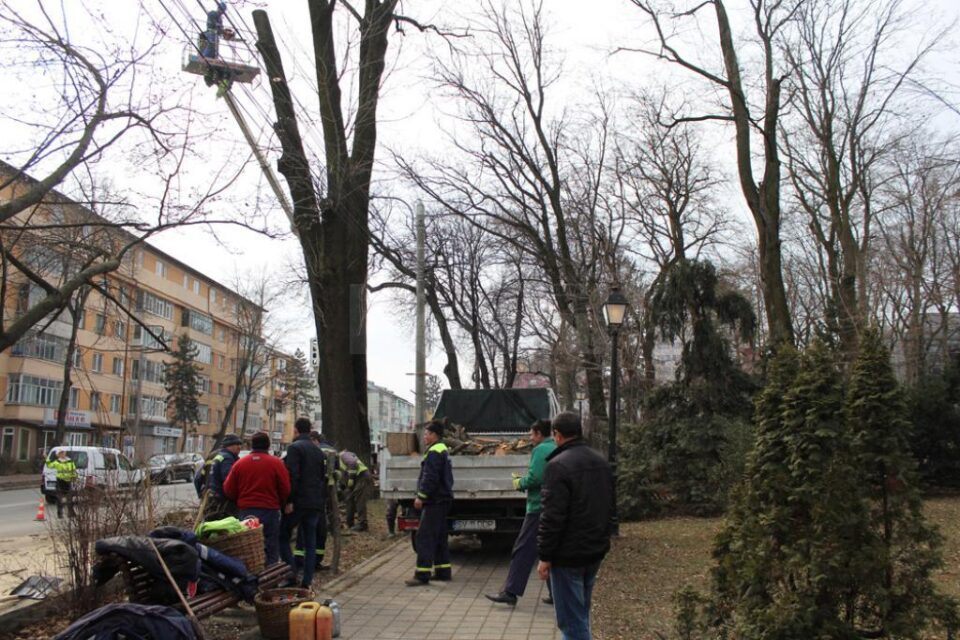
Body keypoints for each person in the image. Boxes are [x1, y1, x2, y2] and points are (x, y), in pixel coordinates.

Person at [537, 411, 614, 640]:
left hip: (567, 555)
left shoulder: (557, 466)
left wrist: (545, 556)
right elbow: (610, 505)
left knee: (572, 623)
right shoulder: (600, 460)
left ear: (557, 435)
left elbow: (552, 517)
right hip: (594, 551)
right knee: (580, 615)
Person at [486, 418, 557, 606]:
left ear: (540, 434)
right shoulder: (556, 446)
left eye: (532, 434)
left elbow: (536, 478)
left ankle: (510, 592)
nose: (530, 438)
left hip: (537, 507)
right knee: (549, 550)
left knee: (523, 549)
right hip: (552, 506)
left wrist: (519, 482)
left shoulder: (541, 449)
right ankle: (557, 593)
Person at [223, 431, 290, 565]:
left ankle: (251, 576)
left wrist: (239, 500)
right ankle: (271, 577)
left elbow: (228, 489)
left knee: (249, 546)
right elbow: (285, 488)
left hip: (247, 511)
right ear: (268, 445)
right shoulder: (276, 463)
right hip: (270, 510)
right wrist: (281, 503)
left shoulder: (240, 464)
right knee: (271, 547)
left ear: (252, 445)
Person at [405, 420, 454, 587]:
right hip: (443, 499)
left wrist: (421, 496)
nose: (424, 437)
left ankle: (422, 574)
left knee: (424, 536)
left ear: (434, 435)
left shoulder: (434, 452)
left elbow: (430, 478)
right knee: (440, 536)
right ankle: (443, 571)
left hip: (434, 500)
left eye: (426, 434)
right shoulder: (442, 449)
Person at [279, 418, 327, 587]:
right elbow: (322, 478)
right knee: (311, 542)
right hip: (315, 502)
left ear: (296, 430)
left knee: (282, 536)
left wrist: (289, 500)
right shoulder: (318, 451)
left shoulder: (294, 448)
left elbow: (293, 475)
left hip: (299, 501)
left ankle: (291, 573)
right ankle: (307, 581)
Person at [195, 434, 242, 518]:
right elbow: (229, 482)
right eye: (236, 444)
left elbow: (198, 478)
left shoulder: (216, 456)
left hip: (211, 498)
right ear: (229, 446)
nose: (239, 447)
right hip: (224, 501)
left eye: (240, 444)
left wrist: (201, 494)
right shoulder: (228, 458)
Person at [338, 450, 372, 532]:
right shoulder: (342, 459)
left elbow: (352, 463)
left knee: (359, 500)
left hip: (361, 476)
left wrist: (351, 479)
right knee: (349, 499)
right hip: (357, 477)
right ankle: (350, 523)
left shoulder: (343, 455)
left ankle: (362, 524)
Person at [46, 449, 77, 518]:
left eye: (63, 452)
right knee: (60, 498)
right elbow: (49, 465)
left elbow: (73, 470)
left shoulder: (70, 461)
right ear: (58, 455)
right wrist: (46, 458)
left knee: (70, 498)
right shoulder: (57, 462)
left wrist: (74, 477)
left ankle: (70, 513)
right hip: (60, 481)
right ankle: (60, 513)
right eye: (61, 453)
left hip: (68, 481)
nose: (63, 454)